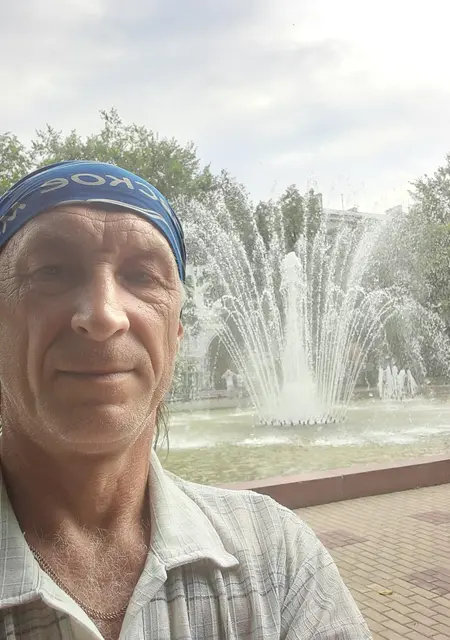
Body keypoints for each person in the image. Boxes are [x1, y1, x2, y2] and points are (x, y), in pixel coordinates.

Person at [0, 161, 372, 640]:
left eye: (141, 276)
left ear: (175, 335)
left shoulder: (278, 559)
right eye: (52, 271)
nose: (104, 315)